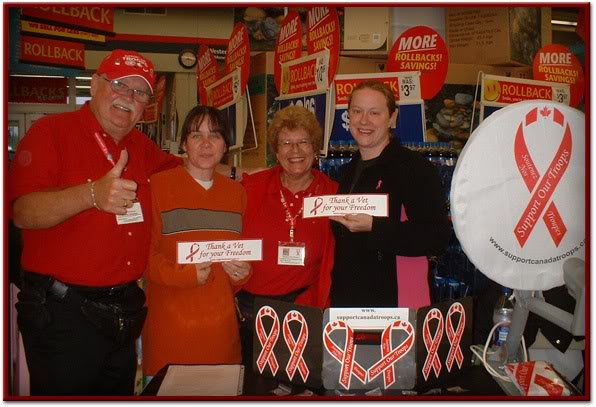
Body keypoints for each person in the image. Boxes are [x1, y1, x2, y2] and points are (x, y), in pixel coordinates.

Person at [8, 49, 181, 396]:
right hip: (63, 315)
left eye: (140, 92)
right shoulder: (50, 132)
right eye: (120, 85)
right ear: (97, 84)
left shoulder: (141, 146)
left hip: (124, 312)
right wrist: (91, 195)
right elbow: (23, 211)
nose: (128, 98)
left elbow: (187, 171)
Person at [142, 106, 252, 377]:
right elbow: (143, 258)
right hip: (170, 332)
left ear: (225, 145)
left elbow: (244, 252)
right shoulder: (156, 187)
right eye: (196, 135)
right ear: (183, 144)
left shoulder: (237, 194)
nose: (205, 144)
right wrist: (185, 275)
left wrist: (244, 273)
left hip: (221, 335)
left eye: (214, 135)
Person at [329, 80, 450, 307]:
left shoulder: (413, 169)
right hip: (350, 299)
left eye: (374, 113)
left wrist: (375, 227)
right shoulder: (350, 170)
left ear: (392, 118)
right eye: (357, 111)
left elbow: (436, 237)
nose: (364, 120)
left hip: (395, 302)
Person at [237, 105, 337, 365]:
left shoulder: (334, 195)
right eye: (286, 143)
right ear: (276, 151)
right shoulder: (252, 188)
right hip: (251, 311)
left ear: (315, 149)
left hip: (305, 312)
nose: (295, 151)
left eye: (303, 142)